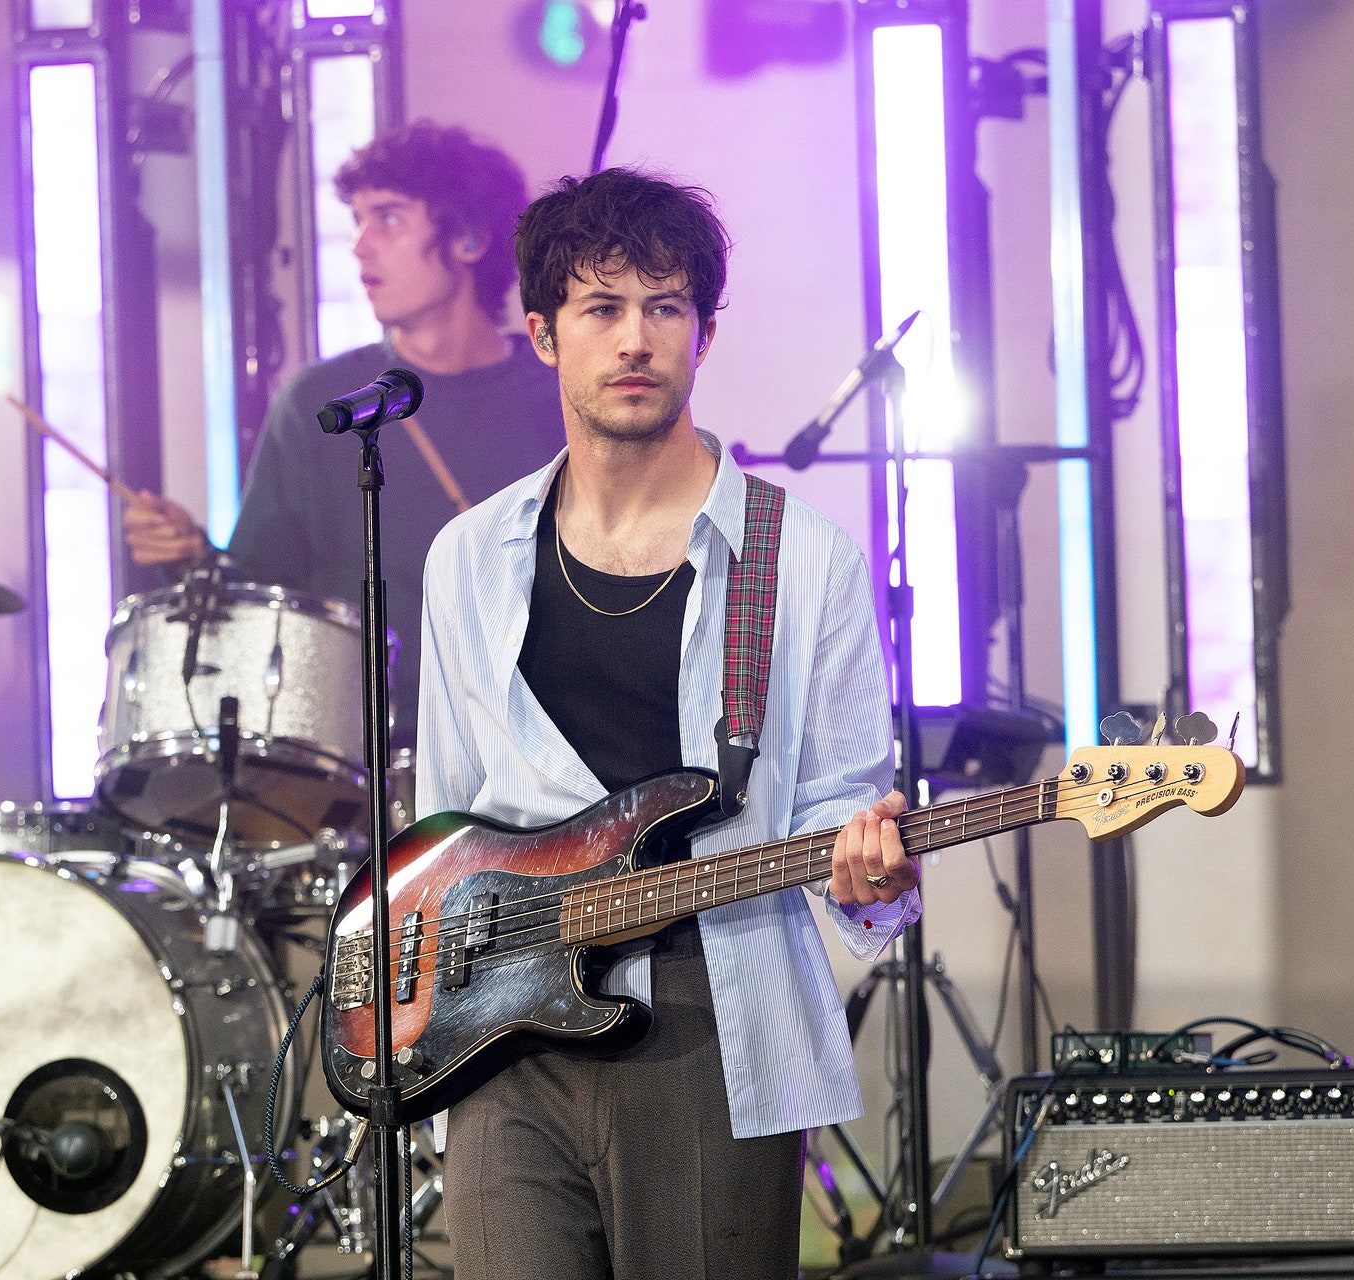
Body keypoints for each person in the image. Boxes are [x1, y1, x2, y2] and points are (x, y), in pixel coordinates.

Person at [417, 167, 922, 1279]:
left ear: (700, 331)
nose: (635, 338)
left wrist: (872, 879)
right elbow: (441, 820)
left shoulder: (804, 558)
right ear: (546, 335)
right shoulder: (467, 559)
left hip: (713, 1013)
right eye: (602, 309)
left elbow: (848, 801)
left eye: (666, 307)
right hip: (505, 1032)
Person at [124, 120, 565, 747]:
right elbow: (260, 593)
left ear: (469, 239)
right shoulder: (324, 403)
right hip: (377, 765)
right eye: (357, 220)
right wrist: (190, 555)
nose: (359, 246)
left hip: (551, 753)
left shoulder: (560, 391)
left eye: (387, 219)